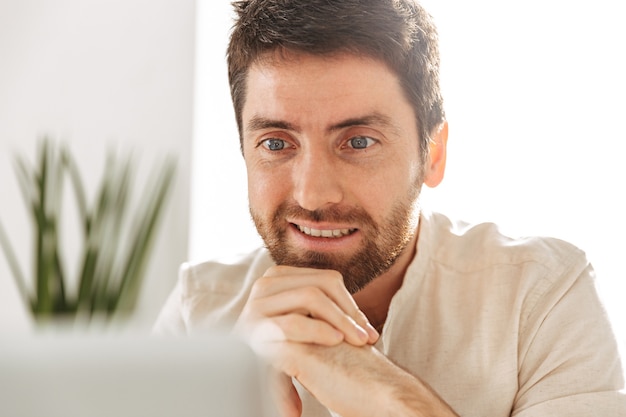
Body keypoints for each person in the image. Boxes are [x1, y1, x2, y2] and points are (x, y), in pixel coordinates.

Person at [154, 0, 626, 415]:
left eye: (358, 141)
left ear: (433, 154)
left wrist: (383, 395)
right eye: (276, 143)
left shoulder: (540, 300)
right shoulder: (199, 313)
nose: (314, 195)